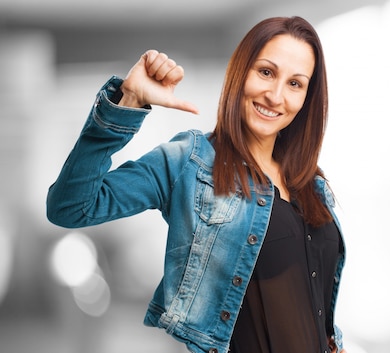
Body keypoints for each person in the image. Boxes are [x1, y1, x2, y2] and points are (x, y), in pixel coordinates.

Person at [46, 16, 346, 353]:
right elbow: (71, 207)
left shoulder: (310, 185)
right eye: (266, 72)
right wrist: (127, 102)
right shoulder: (191, 162)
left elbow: (311, 307)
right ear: (240, 72)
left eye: (295, 83)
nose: (276, 95)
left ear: (308, 97)